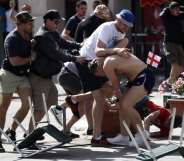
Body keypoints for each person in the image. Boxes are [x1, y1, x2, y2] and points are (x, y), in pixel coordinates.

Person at [27, 9, 85, 133]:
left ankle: (33, 132)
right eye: (55, 22)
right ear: (46, 21)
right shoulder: (42, 36)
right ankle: (29, 134)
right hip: (39, 77)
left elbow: (63, 43)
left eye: (59, 22)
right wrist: (75, 58)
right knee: (40, 109)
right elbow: (56, 55)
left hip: (47, 77)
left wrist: (79, 45)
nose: (57, 24)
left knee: (52, 102)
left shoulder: (52, 32)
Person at [89, 50, 155, 146]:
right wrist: (118, 102)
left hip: (144, 76)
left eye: (101, 75)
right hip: (136, 78)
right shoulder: (111, 59)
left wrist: (118, 100)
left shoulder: (106, 65)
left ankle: (142, 134)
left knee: (126, 105)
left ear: (98, 69)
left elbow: (116, 87)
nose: (104, 76)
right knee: (122, 106)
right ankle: (123, 137)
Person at [0, 11, 34, 152]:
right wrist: (31, 59)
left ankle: (11, 130)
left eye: (31, 22)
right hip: (9, 74)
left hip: (22, 75)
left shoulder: (27, 35)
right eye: (28, 23)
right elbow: (14, 61)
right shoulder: (11, 39)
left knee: (27, 105)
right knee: (3, 108)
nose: (31, 25)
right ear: (20, 24)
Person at [159, 1, 184, 92]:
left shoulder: (180, 15)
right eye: (175, 9)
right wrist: (168, 9)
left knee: (181, 66)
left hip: (179, 44)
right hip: (169, 44)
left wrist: (180, 8)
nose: (177, 11)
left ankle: (171, 82)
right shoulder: (166, 16)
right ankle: (171, 83)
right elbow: (161, 14)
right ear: (171, 10)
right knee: (175, 64)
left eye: (178, 9)